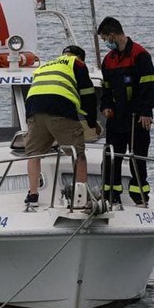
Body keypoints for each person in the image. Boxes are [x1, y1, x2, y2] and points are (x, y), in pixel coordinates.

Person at [23, 45, 100, 209]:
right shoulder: (77, 63)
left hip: (33, 110)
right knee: (77, 154)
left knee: (34, 154)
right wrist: (92, 123)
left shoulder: (46, 65)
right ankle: (80, 198)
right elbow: (88, 95)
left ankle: (33, 195)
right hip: (59, 109)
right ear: (80, 57)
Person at [98, 16, 154, 207]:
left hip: (137, 117)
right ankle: (110, 195)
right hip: (116, 118)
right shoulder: (108, 60)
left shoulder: (140, 55)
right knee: (112, 157)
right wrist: (106, 106)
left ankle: (140, 195)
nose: (106, 44)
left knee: (138, 157)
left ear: (112, 35)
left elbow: (149, 87)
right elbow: (106, 89)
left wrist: (146, 112)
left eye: (105, 40)